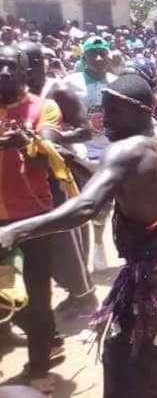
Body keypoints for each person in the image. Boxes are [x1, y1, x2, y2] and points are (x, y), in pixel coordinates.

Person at [0, 74, 157, 397]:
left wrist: (16, 231)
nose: (104, 119)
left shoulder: (123, 152)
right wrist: (67, 156)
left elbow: (87, 206)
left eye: (113, 111)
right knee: (136, 358)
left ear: (141, 112)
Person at [0, 45, 65, 393]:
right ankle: (38, 335)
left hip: (33, 220)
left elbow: (50, 156)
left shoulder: (44, 108)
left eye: (12, 66)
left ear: (25, 71)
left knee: (37, 295)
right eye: (0, 66)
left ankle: (40, 367)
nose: (5, 72)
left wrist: (26, 143)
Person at [16, 41, 98, 320]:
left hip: (58, 172)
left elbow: (85, 130)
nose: (28, 71)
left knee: (67, 239)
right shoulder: (15, 96)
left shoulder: (58, 91)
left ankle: (84, 296)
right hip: (27, 177)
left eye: (31, 64)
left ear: (41, 64)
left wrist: (49, 137)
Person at [63, 36, 117, 271]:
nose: (99, 58)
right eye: (93, 54)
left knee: (106, 203)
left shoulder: (115, 82)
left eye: (103, 53)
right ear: (84, 58)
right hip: (82, 153)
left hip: (110, 151)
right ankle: (82, 255)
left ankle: (98, 244)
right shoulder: (70, 83)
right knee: (83, 203)